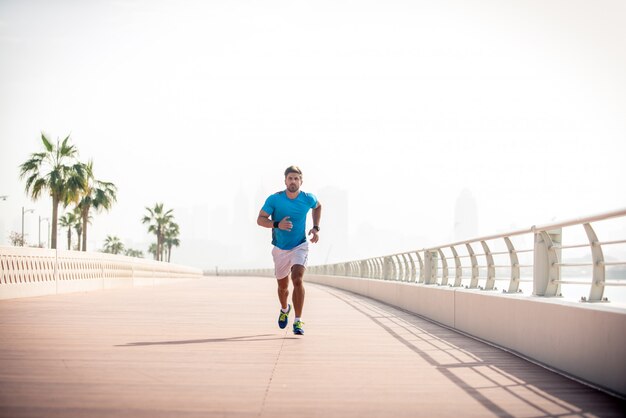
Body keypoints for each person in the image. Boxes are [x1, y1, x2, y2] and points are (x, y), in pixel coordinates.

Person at [257, 165, 322, 335]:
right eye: (290, 178)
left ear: (301, 181)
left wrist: (315, 228)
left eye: (296, 178)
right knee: (283, 288)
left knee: (297, 279)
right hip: (280, 248)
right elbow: (260, 219)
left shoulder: (308, 198)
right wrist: (277, 224)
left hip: (300, 245)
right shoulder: (275, 199)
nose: (293, 181)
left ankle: (298, 321)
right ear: (285, 181)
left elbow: (318, 206)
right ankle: (285, 309)